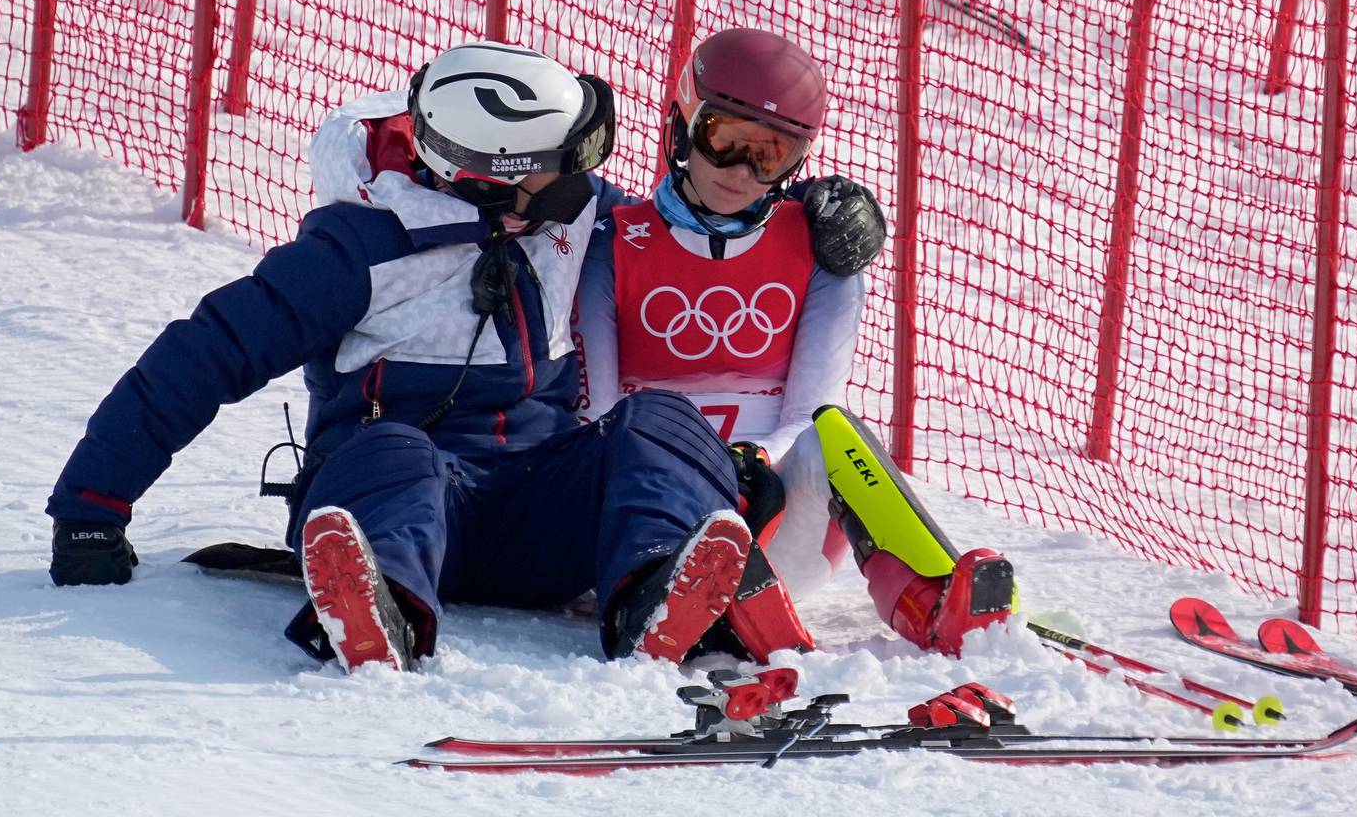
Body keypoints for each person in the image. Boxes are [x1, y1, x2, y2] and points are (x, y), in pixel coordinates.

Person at [45, 42, 879, 673]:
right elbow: (205, 354)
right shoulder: (358, 254)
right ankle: (380, 607)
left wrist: (817, 210)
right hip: (399, 506)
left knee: (660, 419)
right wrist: (92, 504)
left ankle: (660, 593)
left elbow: (691, 218)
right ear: (493, 179)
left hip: (534, 510)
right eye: (565, 165)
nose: (587, 179)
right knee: (394, 448)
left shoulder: (564, 213)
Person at [575, 28, 1013, 661]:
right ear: (684, 125)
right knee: (627, 444)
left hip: (779, 507)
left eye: (770, 154)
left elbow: (813, 408)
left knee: (836, 437)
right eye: (724, 140)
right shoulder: (614, 242)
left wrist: (754, 462)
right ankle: (701, 602)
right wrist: (710, 475)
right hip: (647, 509)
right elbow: (598, 413)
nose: (741, 171)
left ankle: (929, 601)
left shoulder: (822, 248)